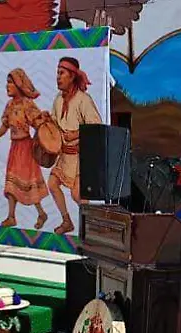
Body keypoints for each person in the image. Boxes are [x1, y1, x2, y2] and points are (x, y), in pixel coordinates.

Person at [47, 57, 103, 235]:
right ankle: (67, 221)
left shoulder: (83, 100)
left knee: (77, 195)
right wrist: (46, 123)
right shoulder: (58, 100)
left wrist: (75, 134)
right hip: (65, 155)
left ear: (71, 76)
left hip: (80, 157)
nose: (58, 77)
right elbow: (55, 122)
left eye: (61, 73)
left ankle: (92, 225)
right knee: (53, 183)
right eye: (57, 73)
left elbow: (96, 125)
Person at [0, 69, 50, 230]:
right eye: (7, 83)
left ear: (18, 85)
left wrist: (44, 123)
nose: (7, 86)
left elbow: (37, 123)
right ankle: (11, 217)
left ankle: (41, 213)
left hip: (26, 148)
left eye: (10, 83)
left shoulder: (26, 104)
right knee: (11, 182)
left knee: (29, 182)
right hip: (15, 148)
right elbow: (5, 126)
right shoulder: (9, 105)